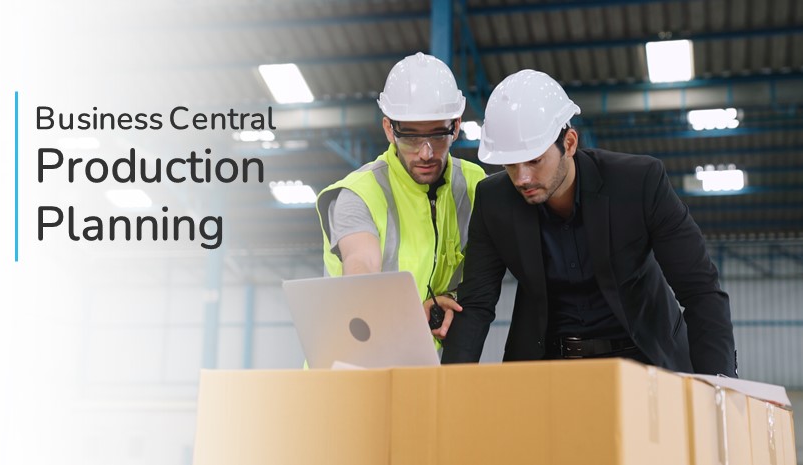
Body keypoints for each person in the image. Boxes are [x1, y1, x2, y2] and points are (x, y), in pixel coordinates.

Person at [441, 69, 737, 376]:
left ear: (568, 143)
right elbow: (476, 305)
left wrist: (720, 385)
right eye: (510, 164)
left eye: (534, 160)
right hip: (550, 366)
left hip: (646, 360)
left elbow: (700, 290)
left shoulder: (639, 184)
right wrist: (446, 388)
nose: (522, 178)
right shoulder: (494, 201)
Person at [316, 52, 486, 340]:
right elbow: (362, 268)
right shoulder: (360, 193)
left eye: (437, 135)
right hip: (349, 364)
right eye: (410, 137)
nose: (425, 153)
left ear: (456, 126)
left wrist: (452, 298)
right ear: (388, 129)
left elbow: (485, 273)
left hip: (423, 368)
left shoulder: (474, 186)